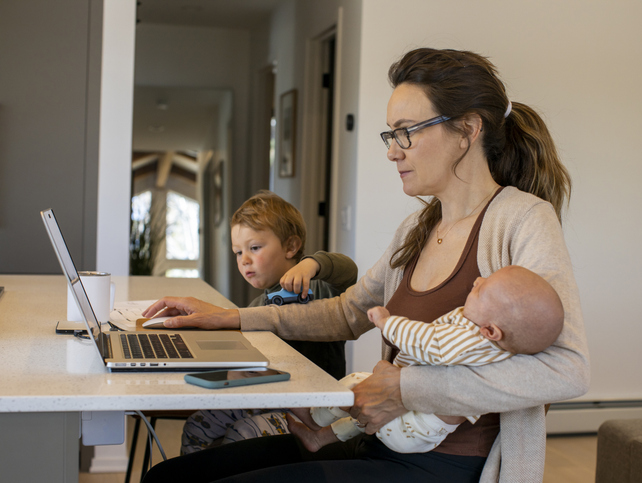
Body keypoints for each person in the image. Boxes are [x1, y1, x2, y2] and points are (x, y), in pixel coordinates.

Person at [142, 47, 589, 483]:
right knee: (170, 477)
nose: (393, 150)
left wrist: (404, 390)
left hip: (445, 466)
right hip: (377, 441)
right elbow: (346, 311)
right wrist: (230, 318)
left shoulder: (523, 219)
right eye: (390, 134)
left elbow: (566, 370)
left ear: (467, 129)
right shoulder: (417, 227)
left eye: (407, 131)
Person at [289, 265, 565, 454]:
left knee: (357, 385)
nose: (477, 281)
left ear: (491, 330)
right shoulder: (498, 345)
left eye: (482, 290)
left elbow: (428, 341)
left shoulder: (472, 338)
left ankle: (315, 417)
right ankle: (318, 437)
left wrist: (388, 324)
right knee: (362, 416)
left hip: (415, 426)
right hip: (420, 427)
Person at [180, 190, 358, 454]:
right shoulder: (258, 307)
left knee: (243, 433)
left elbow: (348, 270)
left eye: (254, 248)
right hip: (271, 398)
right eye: (238, 252)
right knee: (197, 425)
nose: (244, 260)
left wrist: (311, 265)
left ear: (291, 247)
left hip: (316, 413)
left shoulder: (320, 288)